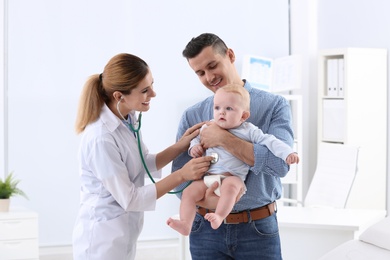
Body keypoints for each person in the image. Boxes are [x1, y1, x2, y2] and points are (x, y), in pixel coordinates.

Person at [72, 53, 213, 260]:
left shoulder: (126, 118)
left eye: (152, 85)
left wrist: (181, 146)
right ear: (120, 96)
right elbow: (130, 198)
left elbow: (142, 162)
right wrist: (182, 175)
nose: (153, 94)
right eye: (145, 90)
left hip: (123, 235)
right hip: (101, 242)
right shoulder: (101, 138)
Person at [169, 33, 295, 259]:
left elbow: (280, 165)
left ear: (230, 55)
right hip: (204, 230)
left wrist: (223, 139)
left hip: (257, 229)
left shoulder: (274, 106)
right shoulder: (193, 116)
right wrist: (215, 200)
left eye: (212, 65)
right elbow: (180, 180)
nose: (209, 77)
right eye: (200, 73)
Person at [167, 84, 299, 235]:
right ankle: (185, 223)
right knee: (189, 192)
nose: (221, 112)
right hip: (209, 178)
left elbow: (270, 141)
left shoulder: (248, 130)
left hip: (231, 178)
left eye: (229, 109)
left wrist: (288, 153)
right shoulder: (208, 126)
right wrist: (194, 148)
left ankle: (219, 216)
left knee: (232, 187)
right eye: (217, 108)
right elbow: (195, 140)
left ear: (243, 116)